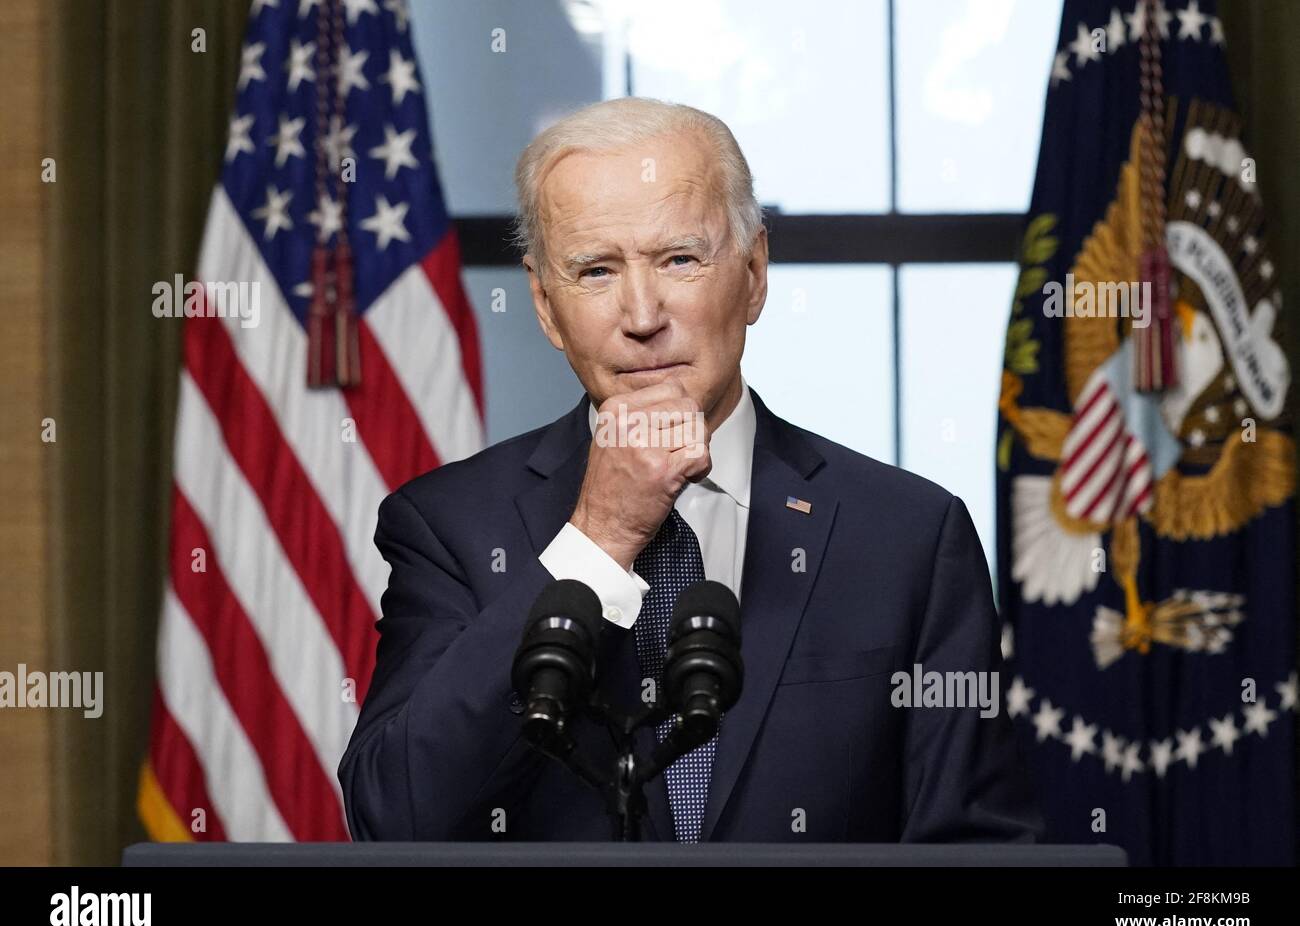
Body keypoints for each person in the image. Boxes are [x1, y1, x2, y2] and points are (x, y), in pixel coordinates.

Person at [339, 97, 1043, 843]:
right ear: (546, 307)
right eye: (596, 270)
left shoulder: (907, 538)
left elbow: (978, 847)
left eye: (679, 258)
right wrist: (598, 537)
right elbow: (395, 816)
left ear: (755, 273)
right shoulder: (447, 526)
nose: (642, 315)